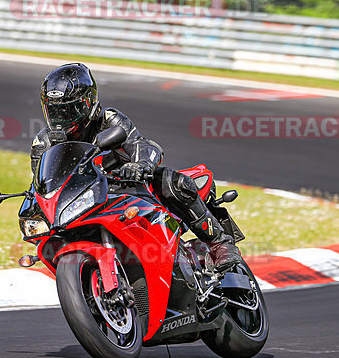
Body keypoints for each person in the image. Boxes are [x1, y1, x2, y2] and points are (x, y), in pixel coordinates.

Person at [30, 62, 241, 270]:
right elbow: (43, 183)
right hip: (83, 199)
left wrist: (140, 165)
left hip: (127, 186)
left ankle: (220, 245)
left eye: (68, 111)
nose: (61, 119)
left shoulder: (108, 120)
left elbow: (140, 144)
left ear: (87, 103)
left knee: (170, 181)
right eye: (55, 112)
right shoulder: (45, 142)